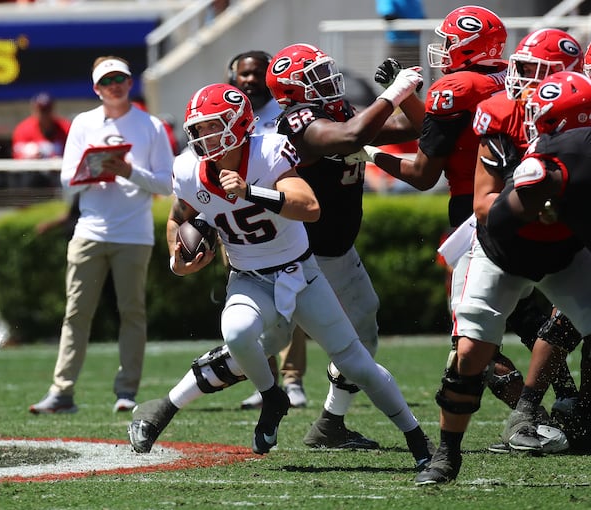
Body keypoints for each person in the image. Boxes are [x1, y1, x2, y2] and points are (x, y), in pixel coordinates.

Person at [127, 83, 434, 467]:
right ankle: (273, 396)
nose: (203, 137)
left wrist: (251, 192)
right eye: (198, 129)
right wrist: (178, 260)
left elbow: (309, 207)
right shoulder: (188, 168)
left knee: (357, 363)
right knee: (237, 334)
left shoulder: (267, 151)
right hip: (248, 278)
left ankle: (418, 440)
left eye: (213, 126)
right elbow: (178, 219)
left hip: (299, 274)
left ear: (238, 125)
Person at [358, 9, 580, 440]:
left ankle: (532, 418)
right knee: (534, 313)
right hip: (528, 197)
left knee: (471, 336)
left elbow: (425, 171)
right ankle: (568, 400)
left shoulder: (457, 85)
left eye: (450, 41)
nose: (443, 50)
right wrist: (401, 102)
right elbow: (445, 131)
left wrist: (367, 152)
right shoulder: (501, 79)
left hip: (475, 209)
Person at [412, 68, 591, 484]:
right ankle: (447, 455)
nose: (534, 123)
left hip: (564, 255)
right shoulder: (501, 121)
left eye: (547, 122)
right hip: (502, 254)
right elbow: (489, 213)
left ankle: (580, 415)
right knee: (471, 352)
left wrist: (565, 199)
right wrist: (531, 198)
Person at [265, 43, 425, 449]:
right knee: (264, 338)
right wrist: (391, 95)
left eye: (325, 71)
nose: (327, 80)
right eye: (314, 76)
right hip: (301, 252)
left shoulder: (336, 112)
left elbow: (413, 129)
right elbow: (350, 136)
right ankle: (174, 403)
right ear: (291, 92)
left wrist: (405, 96)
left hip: (336, 250)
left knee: (362, 331)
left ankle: (330, 423)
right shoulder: (298, 120)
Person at [29, 55, 174, 415]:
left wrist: (127, 170)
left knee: (132, 312)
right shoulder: (82, 124)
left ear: (130, 82)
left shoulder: (151, 125)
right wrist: (94, 171)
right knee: (77, 313)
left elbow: (167, 182)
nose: (114, 85)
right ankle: (62, 392)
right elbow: (66, 180)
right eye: (107, 81)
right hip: (90, 230)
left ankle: (127, 392)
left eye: (120, 78)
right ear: (96, 89)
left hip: (134, 233)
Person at [471, 28, 584, 453]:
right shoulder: (502, 111)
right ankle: (535, 411)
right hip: (505, 230)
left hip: (567, 234)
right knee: (477, 332)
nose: (520, 78)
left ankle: (571, 407)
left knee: (569, 319)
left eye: (533, 70)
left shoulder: (579, 113)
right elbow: (485, 201)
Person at [228, 50, 309, 410]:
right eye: (242, 75)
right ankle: (267, 380)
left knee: (292, 302)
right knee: (254, 309)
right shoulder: (227, 117)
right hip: (240, 225)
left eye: (256, 73)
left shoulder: (284, 117)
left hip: (281, 221)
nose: (248, 80)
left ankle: (293, 381)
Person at [375, 0, 426, 67]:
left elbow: (423, 17)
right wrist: (412, 27)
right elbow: (388, 16)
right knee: (396, 74)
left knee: (421, 73)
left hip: (417, 46)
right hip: (398, 45)